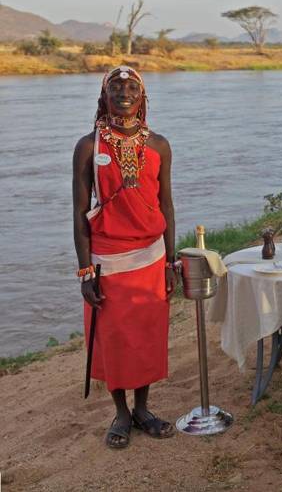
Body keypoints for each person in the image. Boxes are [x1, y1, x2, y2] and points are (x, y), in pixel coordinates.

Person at [72, 66, 177, 448]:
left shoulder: (159, 145)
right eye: (116, 87)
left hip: (151, 258)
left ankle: (143, 409)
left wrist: (170, 262)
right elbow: (79, 212)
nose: (124, 93)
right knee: (114, 340)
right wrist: (85, 271)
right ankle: (120, 412)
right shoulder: (89, 146)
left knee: (146, 338)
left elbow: (167, 205)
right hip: (108, 261)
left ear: (142, 96)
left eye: (132, 87)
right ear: (104, 96)